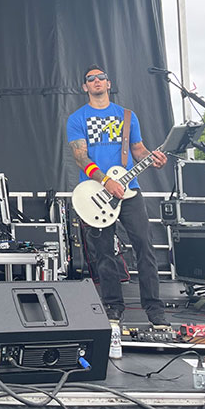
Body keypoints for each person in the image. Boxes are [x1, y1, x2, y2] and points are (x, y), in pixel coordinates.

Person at [66, 64, 169, 328]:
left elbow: (138, 149)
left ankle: (154, 309)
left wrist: (153, 158)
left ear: (109, 83)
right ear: (85, 87)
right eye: (91, 79)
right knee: (104, 253)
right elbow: (80, 158)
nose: (97, 81)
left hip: (129, 190)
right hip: (96, 192)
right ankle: (113, 307)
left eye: (101, 77)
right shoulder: (77, 119)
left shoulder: (127, 116)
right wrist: (106, 181)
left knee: (145, 247)